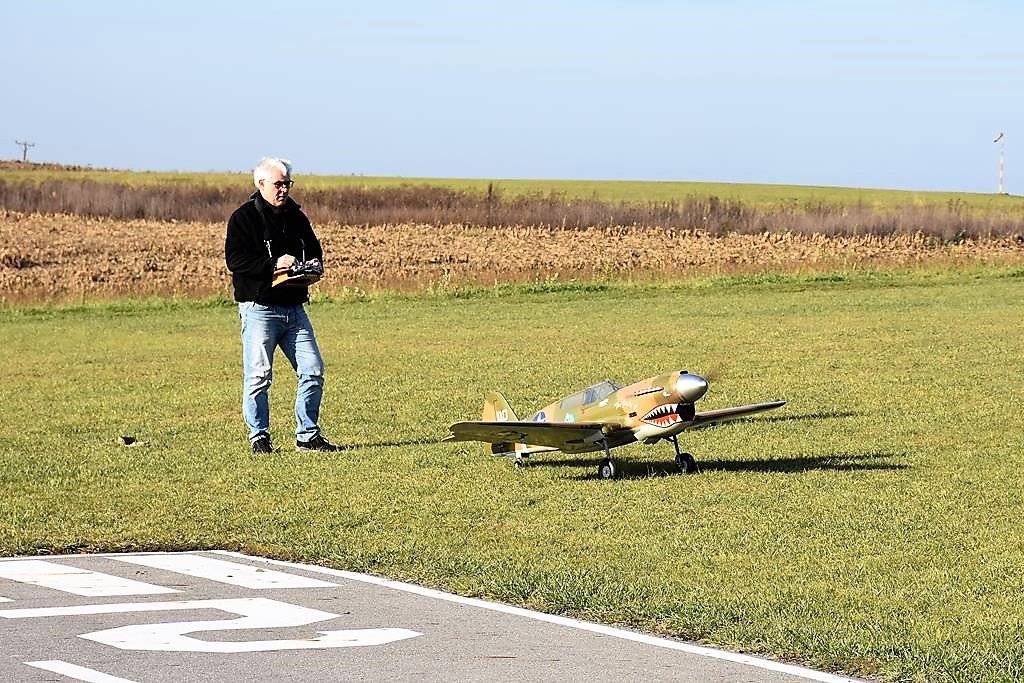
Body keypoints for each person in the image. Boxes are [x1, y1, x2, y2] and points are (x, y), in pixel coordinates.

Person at [225, 157, 339, 454]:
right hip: (259, 308)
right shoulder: (243, 218)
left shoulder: (297, 217)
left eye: (287, 183)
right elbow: (235, 261)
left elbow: (314, 249)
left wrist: (312, 264)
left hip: (294, 309)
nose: (284, 189)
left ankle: (307, 436)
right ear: (261, 184)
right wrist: (274, 264)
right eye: (278, 184)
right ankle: (259, 437)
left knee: (313, 369)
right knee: (259, 376)